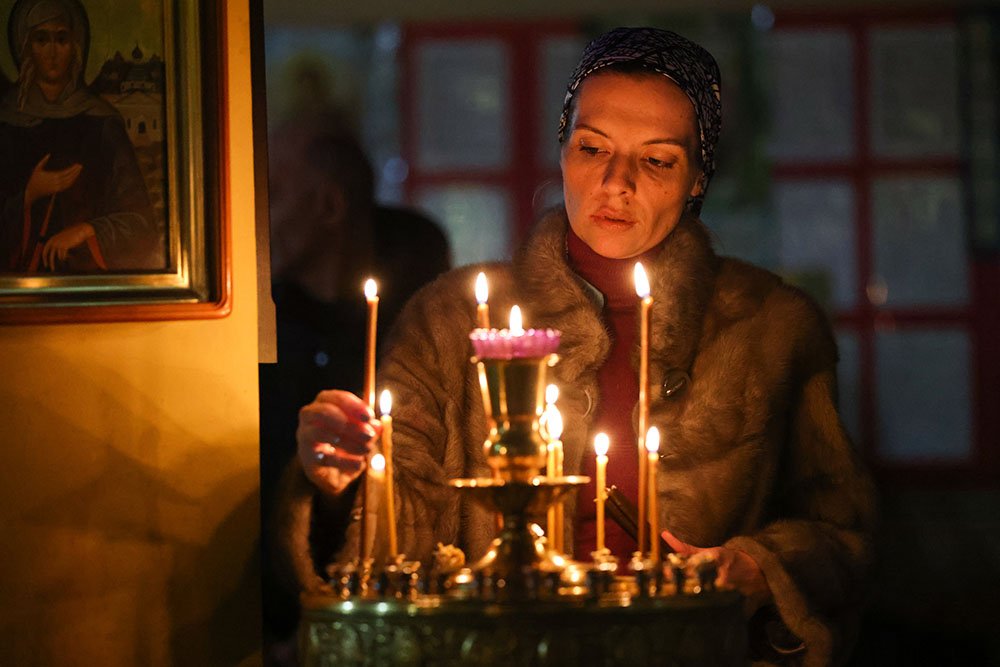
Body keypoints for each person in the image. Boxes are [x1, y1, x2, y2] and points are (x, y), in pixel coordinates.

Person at [275, 27, 876, 665]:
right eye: (593, 148)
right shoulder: (450, 324)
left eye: (656, 159)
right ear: (563, 150)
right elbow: (386, 545)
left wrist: (761, 569)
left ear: (697, 178)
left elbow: (841, 535)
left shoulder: (772, 332)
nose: (616, 183)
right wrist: (334, 480)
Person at [260, 115, 450, 661]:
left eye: (271, 195)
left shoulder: (423, 330)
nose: (252, 221)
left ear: (328, 207)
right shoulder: (262, 329)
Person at [0, 0, 160, 273]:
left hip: (90, 280)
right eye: (41, 39)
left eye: (61, 39)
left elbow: (140, 223)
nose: (52, 52)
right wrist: (29, 195)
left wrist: (87, 230)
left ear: (75, 47)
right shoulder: (6, 121)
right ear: (26, 48)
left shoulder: (102, 124)